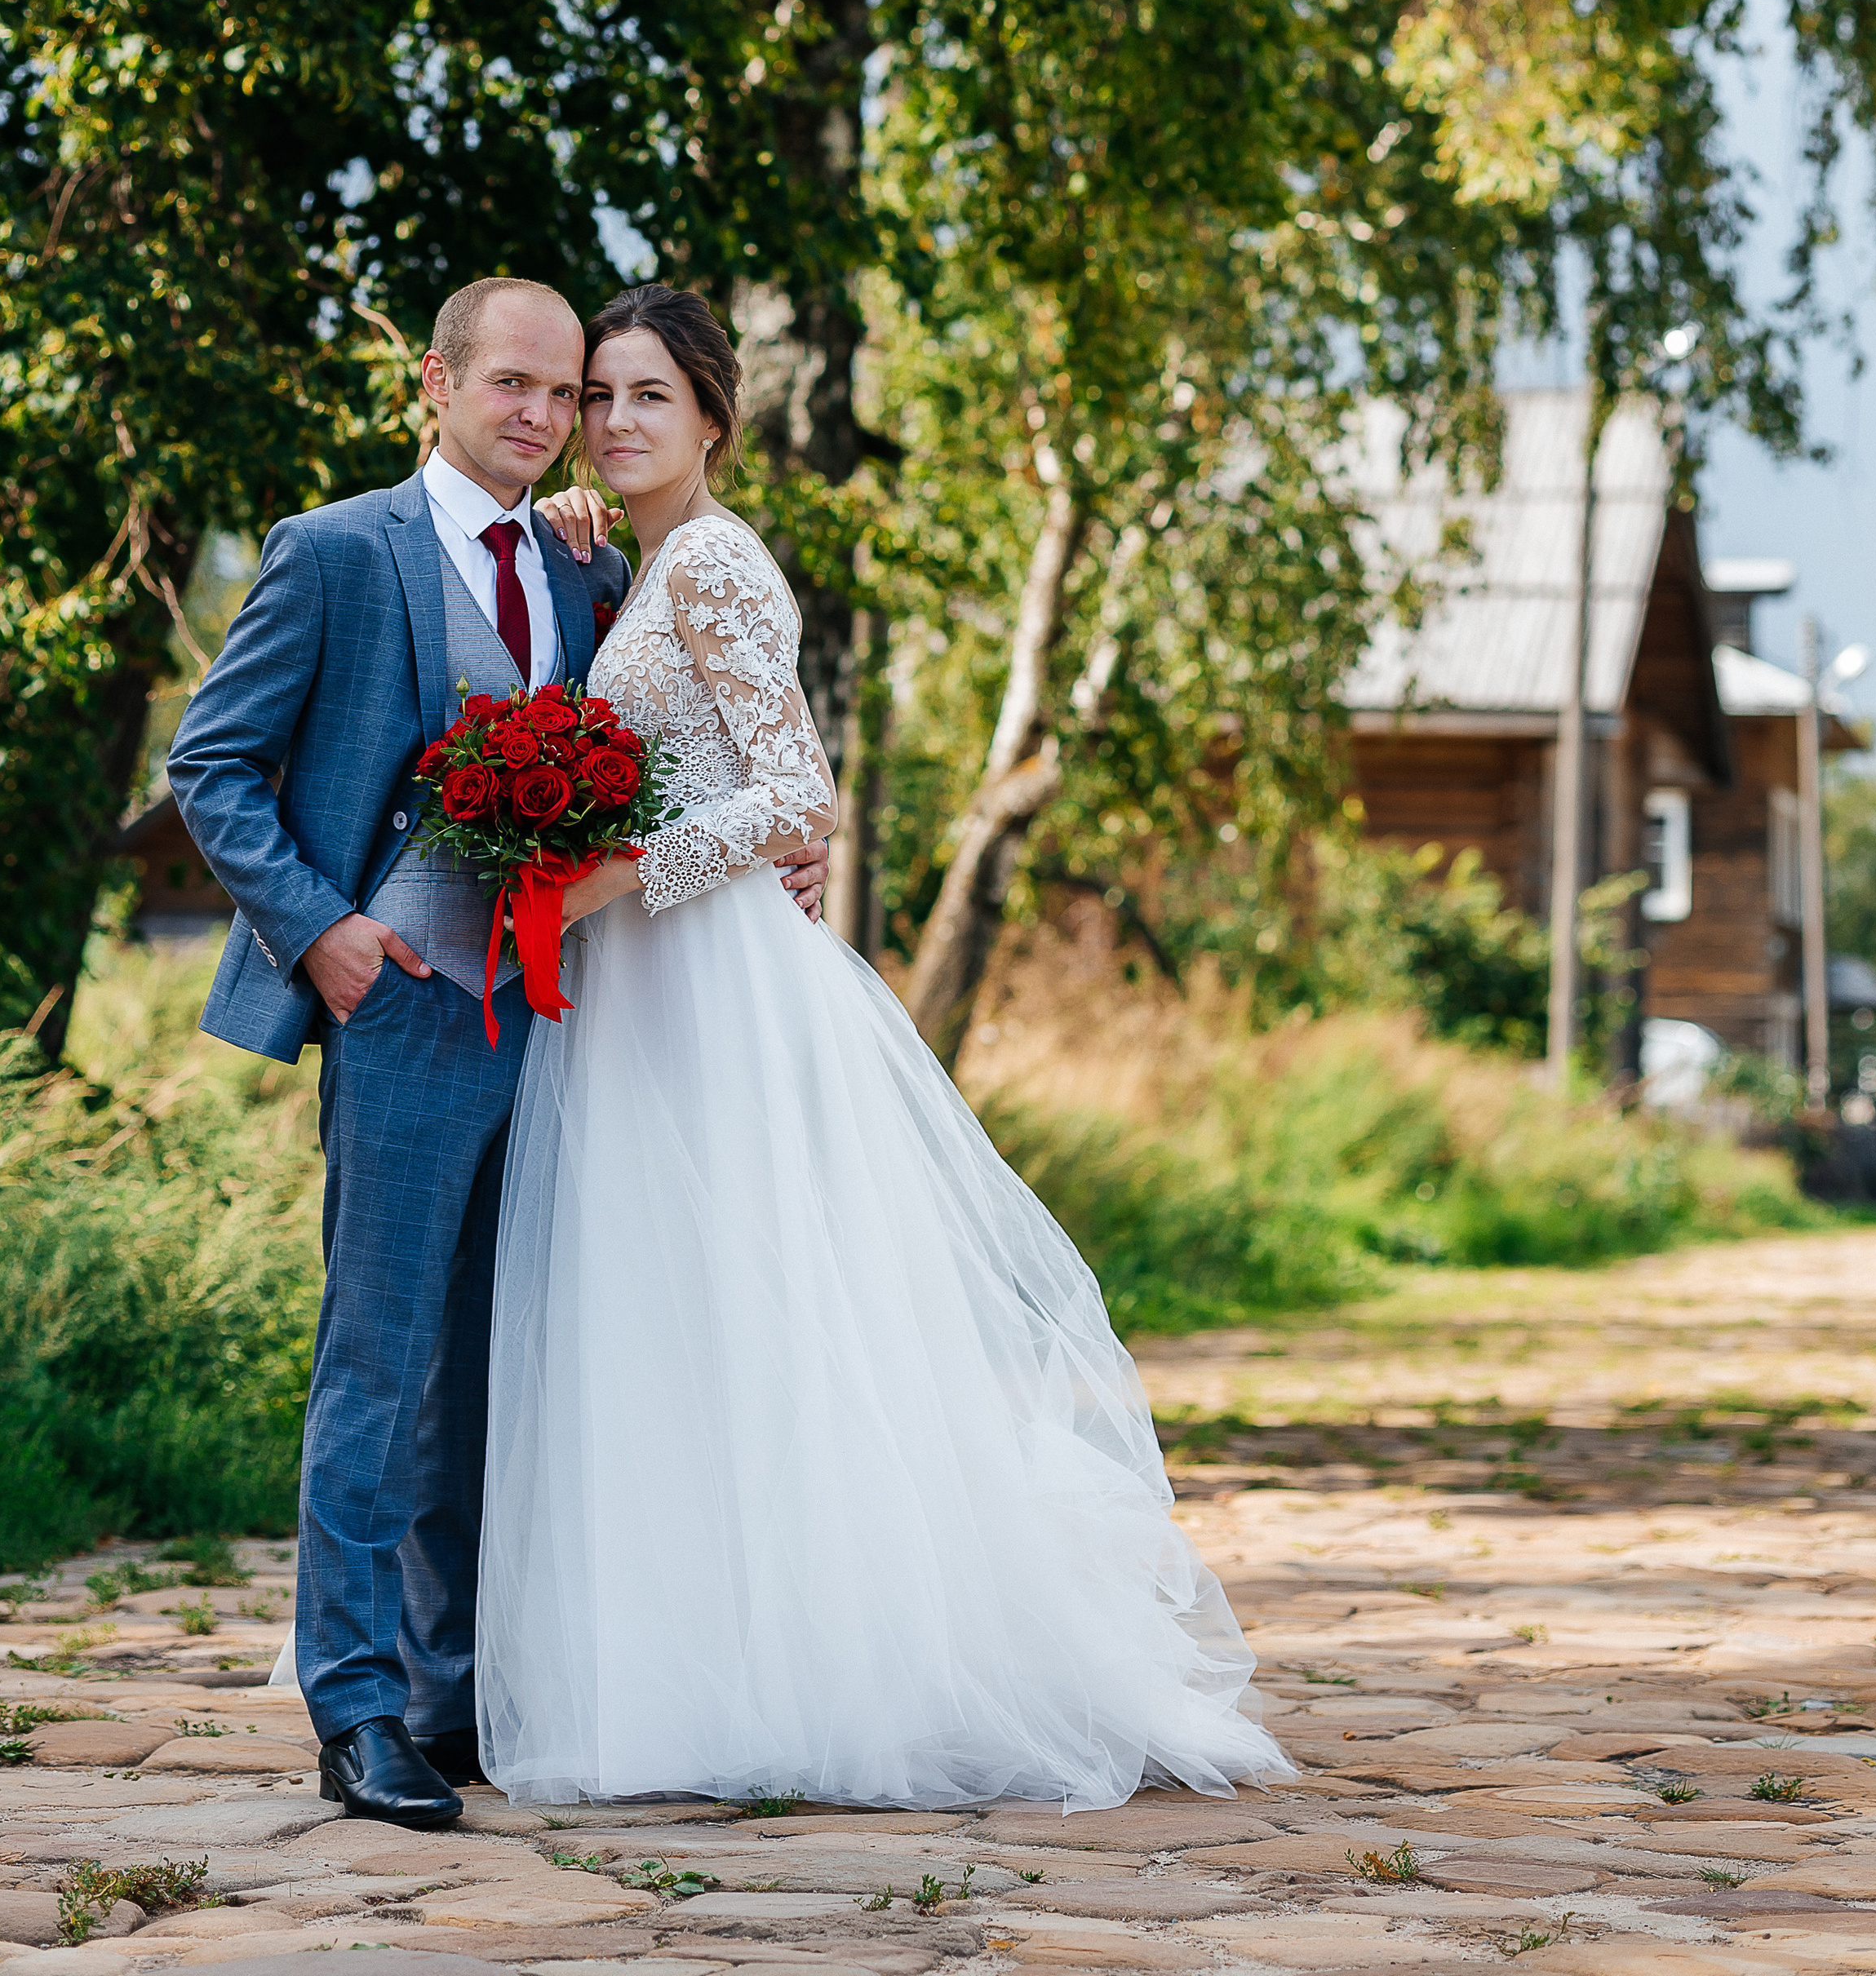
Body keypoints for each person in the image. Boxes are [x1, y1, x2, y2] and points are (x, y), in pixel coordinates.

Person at [478, 281, 1285, 1812]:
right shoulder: (638, 563)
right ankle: (696, 1670)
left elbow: (799, 800)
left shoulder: (712, 564)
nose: (618, 422)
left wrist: (604, 879)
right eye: (600, 399)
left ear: (717, 419)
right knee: (675, 1335)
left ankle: (840, 1670)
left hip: (707, 984)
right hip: (645, 994)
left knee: (762, 1322)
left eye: (653, 397)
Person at [167, 276, 829, 1831]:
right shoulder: (338, 552)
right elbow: (211, 762)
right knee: (382, 1360)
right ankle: (356, 1706)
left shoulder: (593, 563)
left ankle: (460, 1692)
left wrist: (777, 855)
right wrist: (319, 930)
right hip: (403, 1005)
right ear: (441, 384)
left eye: (573, 393)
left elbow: (710, 752)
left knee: (505, 1371)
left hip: (578, 1020)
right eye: (522, 386)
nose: (549, 416)